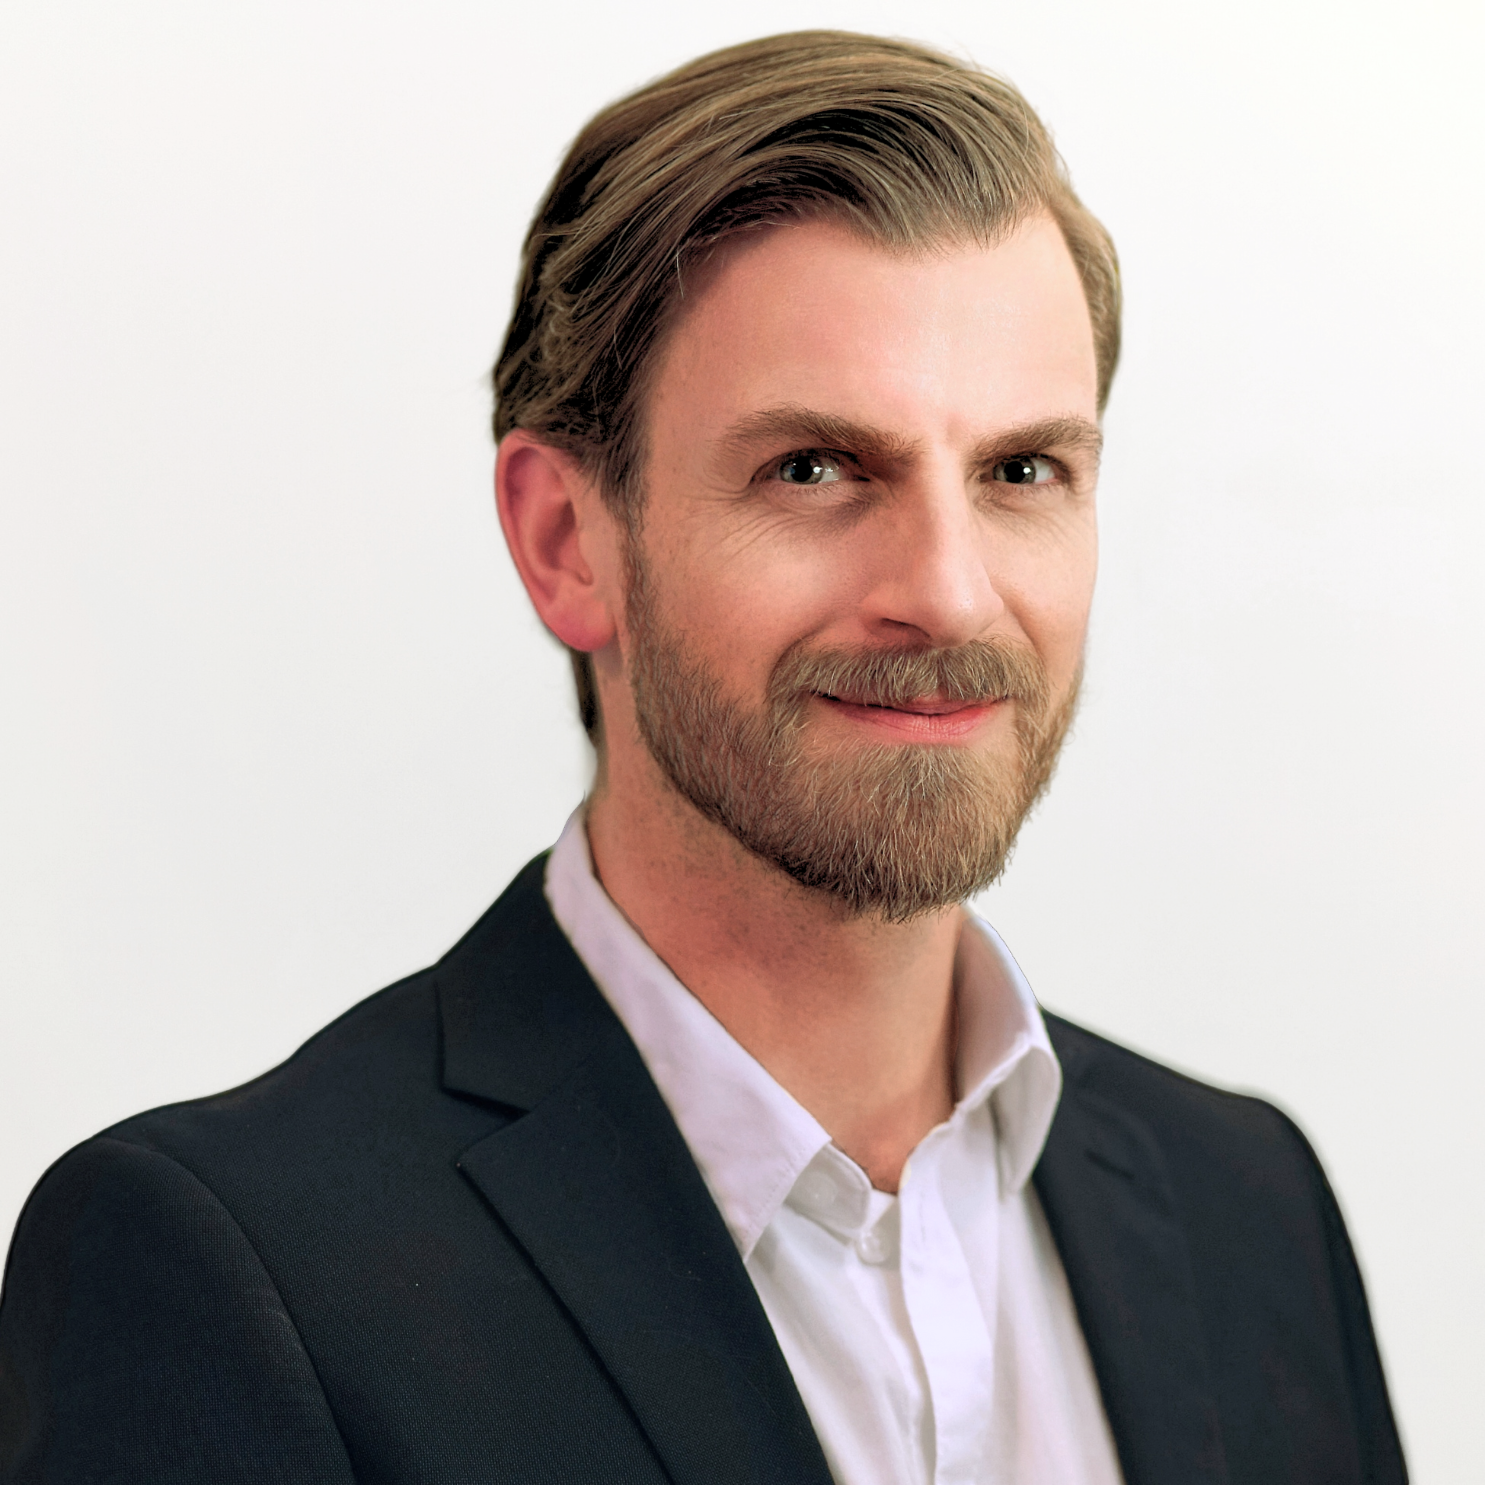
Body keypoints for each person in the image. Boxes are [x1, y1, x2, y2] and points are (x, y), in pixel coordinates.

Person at [0, 30, 1405, 1485]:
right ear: (565, 543)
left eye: (1020, 471)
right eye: (814, 468)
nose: (952, 589)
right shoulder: (230, 1278)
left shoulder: (1253, 1210)